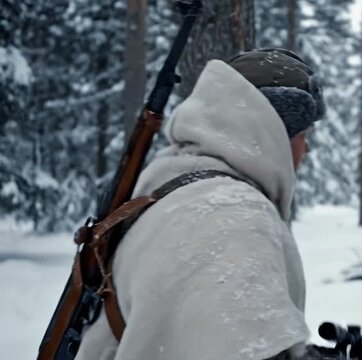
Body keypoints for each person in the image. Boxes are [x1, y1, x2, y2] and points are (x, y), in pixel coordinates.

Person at [76, 49, 338, 360]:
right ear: (272, 132)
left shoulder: (177, 189)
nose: (306, 149)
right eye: (302, 135)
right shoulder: (232, 217)